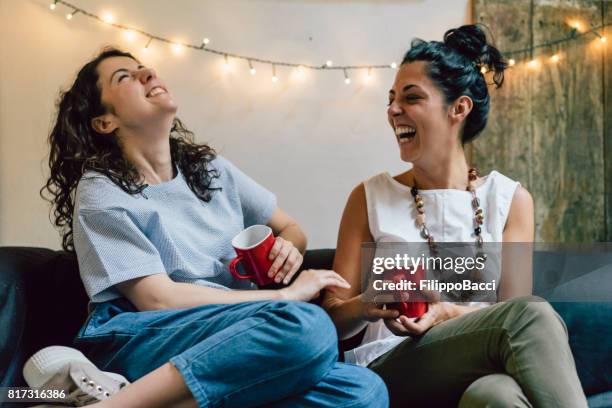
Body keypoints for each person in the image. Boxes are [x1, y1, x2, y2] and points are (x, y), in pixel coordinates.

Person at [41, 47, 388, 408]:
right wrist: (285, 297)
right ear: (104, 122)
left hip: (228, 334)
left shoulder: (209, 169)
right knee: (308, 328)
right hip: (138, 336)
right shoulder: (101, 191)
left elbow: (291, 228)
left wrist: (288, 246)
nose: (147, 73)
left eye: (144, 67)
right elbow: (158, 300)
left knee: (364, 390)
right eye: (125, 76)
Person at [322, 25, 587, 407]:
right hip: (395, 366)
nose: (393, 110)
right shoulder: (369, 197)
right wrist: (367, 302)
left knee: (496, 396)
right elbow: (330, 321)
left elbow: (508, 310)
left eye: (411, 97)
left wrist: (445, 312)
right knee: (532, 315)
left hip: (484, 368)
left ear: (459, 109)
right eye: (392, 98)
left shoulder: (511, 199)